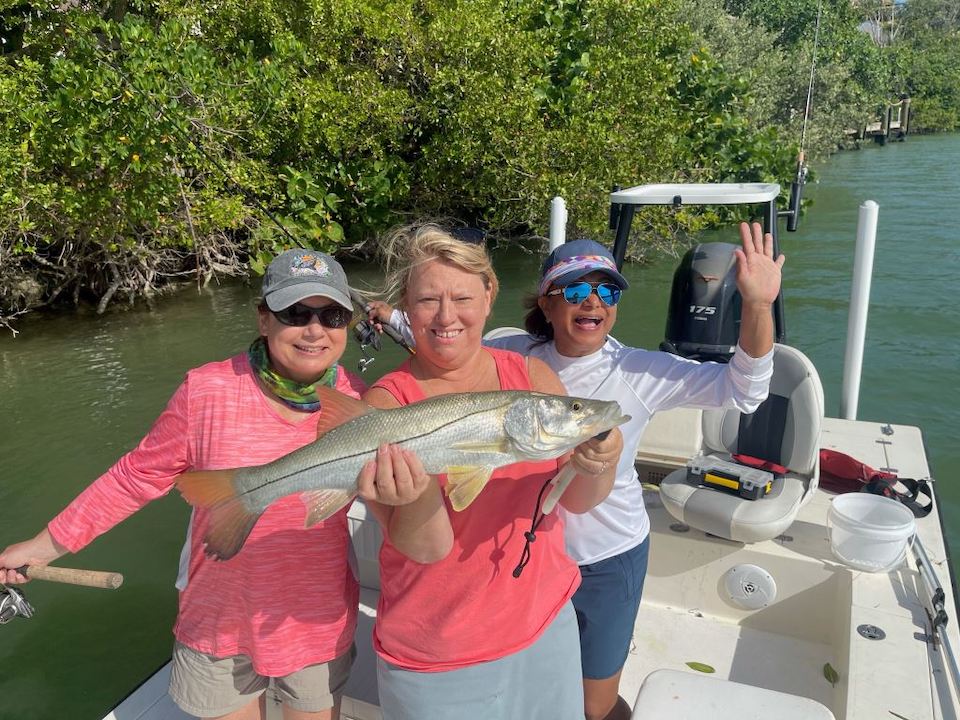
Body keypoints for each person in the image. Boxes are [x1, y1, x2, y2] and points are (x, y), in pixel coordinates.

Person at [0, 249, 368, 720]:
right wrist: (43, 545)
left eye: (332, 314)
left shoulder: (364, 404)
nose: (314, 329)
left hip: (313, 618)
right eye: (295, 313)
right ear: (263, 319)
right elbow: (135, 476)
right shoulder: (206, 390)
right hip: (219, 616)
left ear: (348, 324)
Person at [485, 221, 784, 720]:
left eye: (607, 290)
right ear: (547, 303)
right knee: (527, 680)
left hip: (606, 558)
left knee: (593, 702)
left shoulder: (642, 371)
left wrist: (755, 306)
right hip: (529, 553)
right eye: (576, 290)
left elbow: (745, 391)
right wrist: (391, 318)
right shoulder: (513, 356)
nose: (593, 302)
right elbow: (445, 348)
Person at [352, 222, 625, 720]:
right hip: (437, 650)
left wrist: (599, 461)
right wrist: (415, 495)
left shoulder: (532, 378)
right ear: (405, 306)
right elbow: (424, 547)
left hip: (545, 625)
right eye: (427, 299)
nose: (446, 316)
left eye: (462, 297)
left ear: (489, 294)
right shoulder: (385, 406)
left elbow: (579, 499)